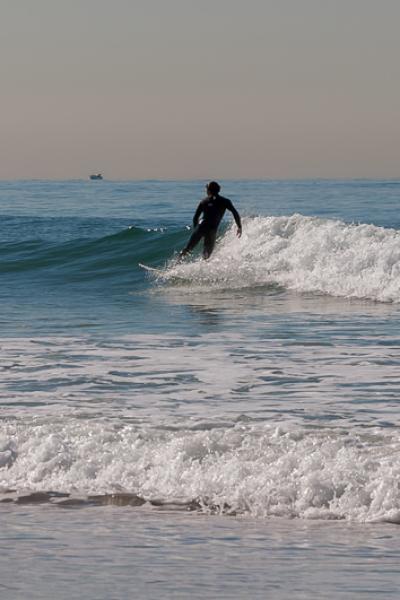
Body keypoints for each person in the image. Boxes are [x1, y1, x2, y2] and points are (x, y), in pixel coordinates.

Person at [179, 181, 242, 260]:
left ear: (208, 190)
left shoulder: (203, 201)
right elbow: (235, 213)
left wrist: (196, 230)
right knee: (206, 254)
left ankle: (176, 264)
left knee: (188, 248)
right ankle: (202, 269)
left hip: (201, 226)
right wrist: (239, 227)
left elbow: (195, 217)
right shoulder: (225, 201)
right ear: (218, 190)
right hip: (211, 229)